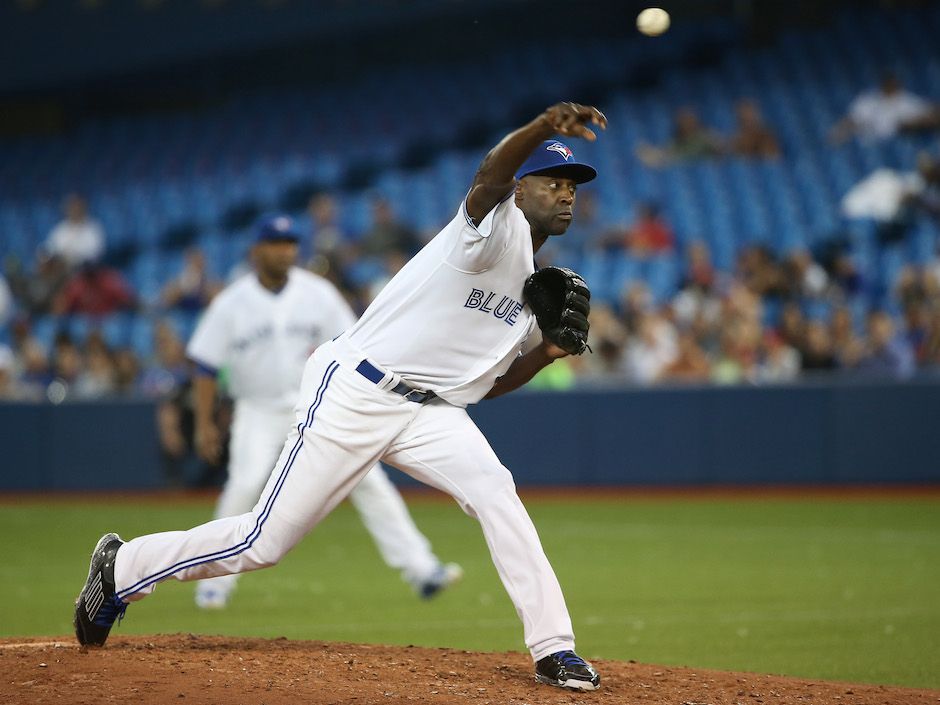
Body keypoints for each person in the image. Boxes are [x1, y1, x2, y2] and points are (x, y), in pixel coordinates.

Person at [73, 102, 606, 691]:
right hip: (357, 390)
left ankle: (554, 647)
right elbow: (488, 175)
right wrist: (539, 128)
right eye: (551, 182)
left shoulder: (536, 287)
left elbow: (486, 386)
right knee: (263, 542)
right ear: (521, 189)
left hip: (429, 410)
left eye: (572, 186)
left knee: (495, 490)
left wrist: (546, 353)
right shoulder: (487, 230)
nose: (565, 194)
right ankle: (123, 567)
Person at [186, 214, 461, 609]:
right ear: (256, 250)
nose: (286, 251)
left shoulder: (318, 293)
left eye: (291, 243)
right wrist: (204, 424)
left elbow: (355, 346)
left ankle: (421, 569)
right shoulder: (231, 302)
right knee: (244, 484)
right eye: (276, 243)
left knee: (369, 480)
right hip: (257, 410)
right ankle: (214, 580)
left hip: (315, 406)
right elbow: (204, 367)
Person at [829, 72, 935, 144]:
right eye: (888, 84)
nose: (891, 86)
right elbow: (851, 119)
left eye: (893, 84)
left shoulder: (907, 100)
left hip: (899, 140)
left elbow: (927, 113)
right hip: (869, 143)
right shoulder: (868, 100)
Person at [44, 194, 106, 269]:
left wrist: (73, 256)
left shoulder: (93, 228)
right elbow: (50, 247)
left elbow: (95, 253)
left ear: (83, 208)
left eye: (77, 207)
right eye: (71, 207)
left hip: (85, 270)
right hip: (61, 266)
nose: (74, 210)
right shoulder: (61, 228)